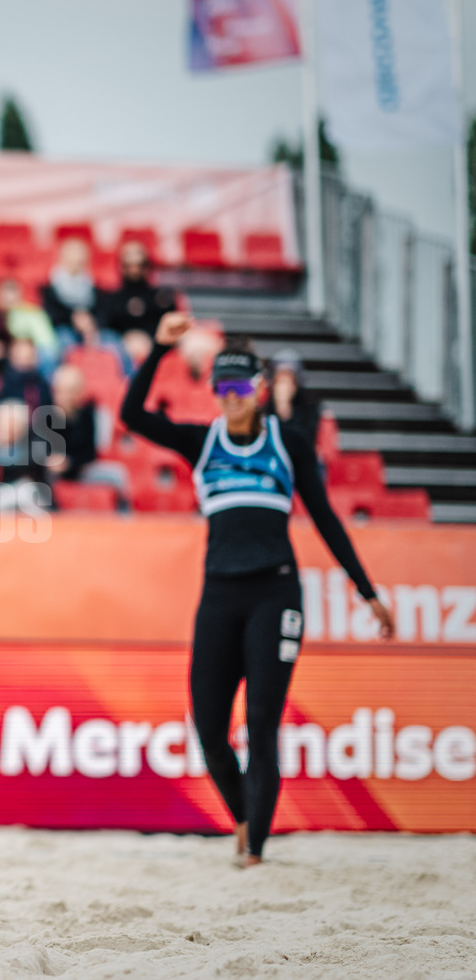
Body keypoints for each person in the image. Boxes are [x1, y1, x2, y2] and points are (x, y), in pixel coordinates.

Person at [120, 312, 394, 867]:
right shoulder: (202, 442)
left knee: (261, 726)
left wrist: (367, 591)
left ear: (259, 390)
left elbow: (326, 519)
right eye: (221, 387)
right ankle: (245, 819)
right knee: (209, 729)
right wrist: (159, 350)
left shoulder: (287, 443)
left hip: (275, 594)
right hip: (219, 596)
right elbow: (131, 415)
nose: (230, 396)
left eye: (240, 387)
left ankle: (256, 851)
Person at [264, 347, 320, 449]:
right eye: (280, 381)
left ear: (296, 384)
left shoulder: (310, 408)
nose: (284, 387)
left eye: (288, 381)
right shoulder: (264, 409)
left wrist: (285, 409)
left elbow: (306, 442)